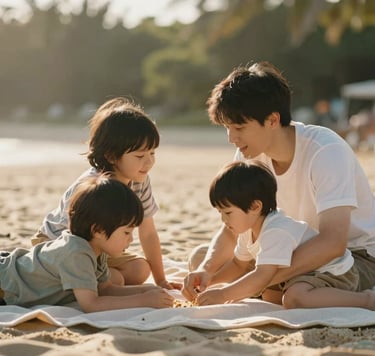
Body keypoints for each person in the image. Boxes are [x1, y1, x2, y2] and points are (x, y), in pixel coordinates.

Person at [183, 61, 375, 301]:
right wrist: (207, 269)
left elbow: (333, 242)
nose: (231, 138)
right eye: (227, 128)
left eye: (239, 127)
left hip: (353, 258)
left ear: (272, 120)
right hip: (291, 244)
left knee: (287, 293)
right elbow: (236, 226)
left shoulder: (325, 151)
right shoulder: (249, 152)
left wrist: (259, 278)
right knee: (201, 259)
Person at [32, 97, 180, 289]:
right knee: (114, 281)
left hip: (99, 247)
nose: (149, 162)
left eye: (152, 153)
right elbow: (76, 238)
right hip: (59, 245)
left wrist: (161, 280)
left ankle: (100, 277)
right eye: (139, 156)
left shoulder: (139, 180)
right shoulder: (94, 187)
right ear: (111, 155)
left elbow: (148, 232)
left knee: (140, 270)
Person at [193, 160, 375, 309]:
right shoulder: (247, 229)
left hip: (335, 272)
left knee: (295, 299)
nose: (224, 220)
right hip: (304, 273)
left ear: (255, 207)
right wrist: (209, 281)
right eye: (220, 213)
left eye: (228, 213)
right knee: (269, 295)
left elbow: (262, 275)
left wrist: (224, 294)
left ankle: (367, 301)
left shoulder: (276, 230)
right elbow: (238, 265)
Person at [0, 175, 174, 310]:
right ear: (97, 230)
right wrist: (142, 300)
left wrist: (146, 290)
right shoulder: (76, 252)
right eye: (126, 232)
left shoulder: (97, 250)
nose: (131, 239)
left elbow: (105, 289)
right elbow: (91, 305)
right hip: (6, 286)